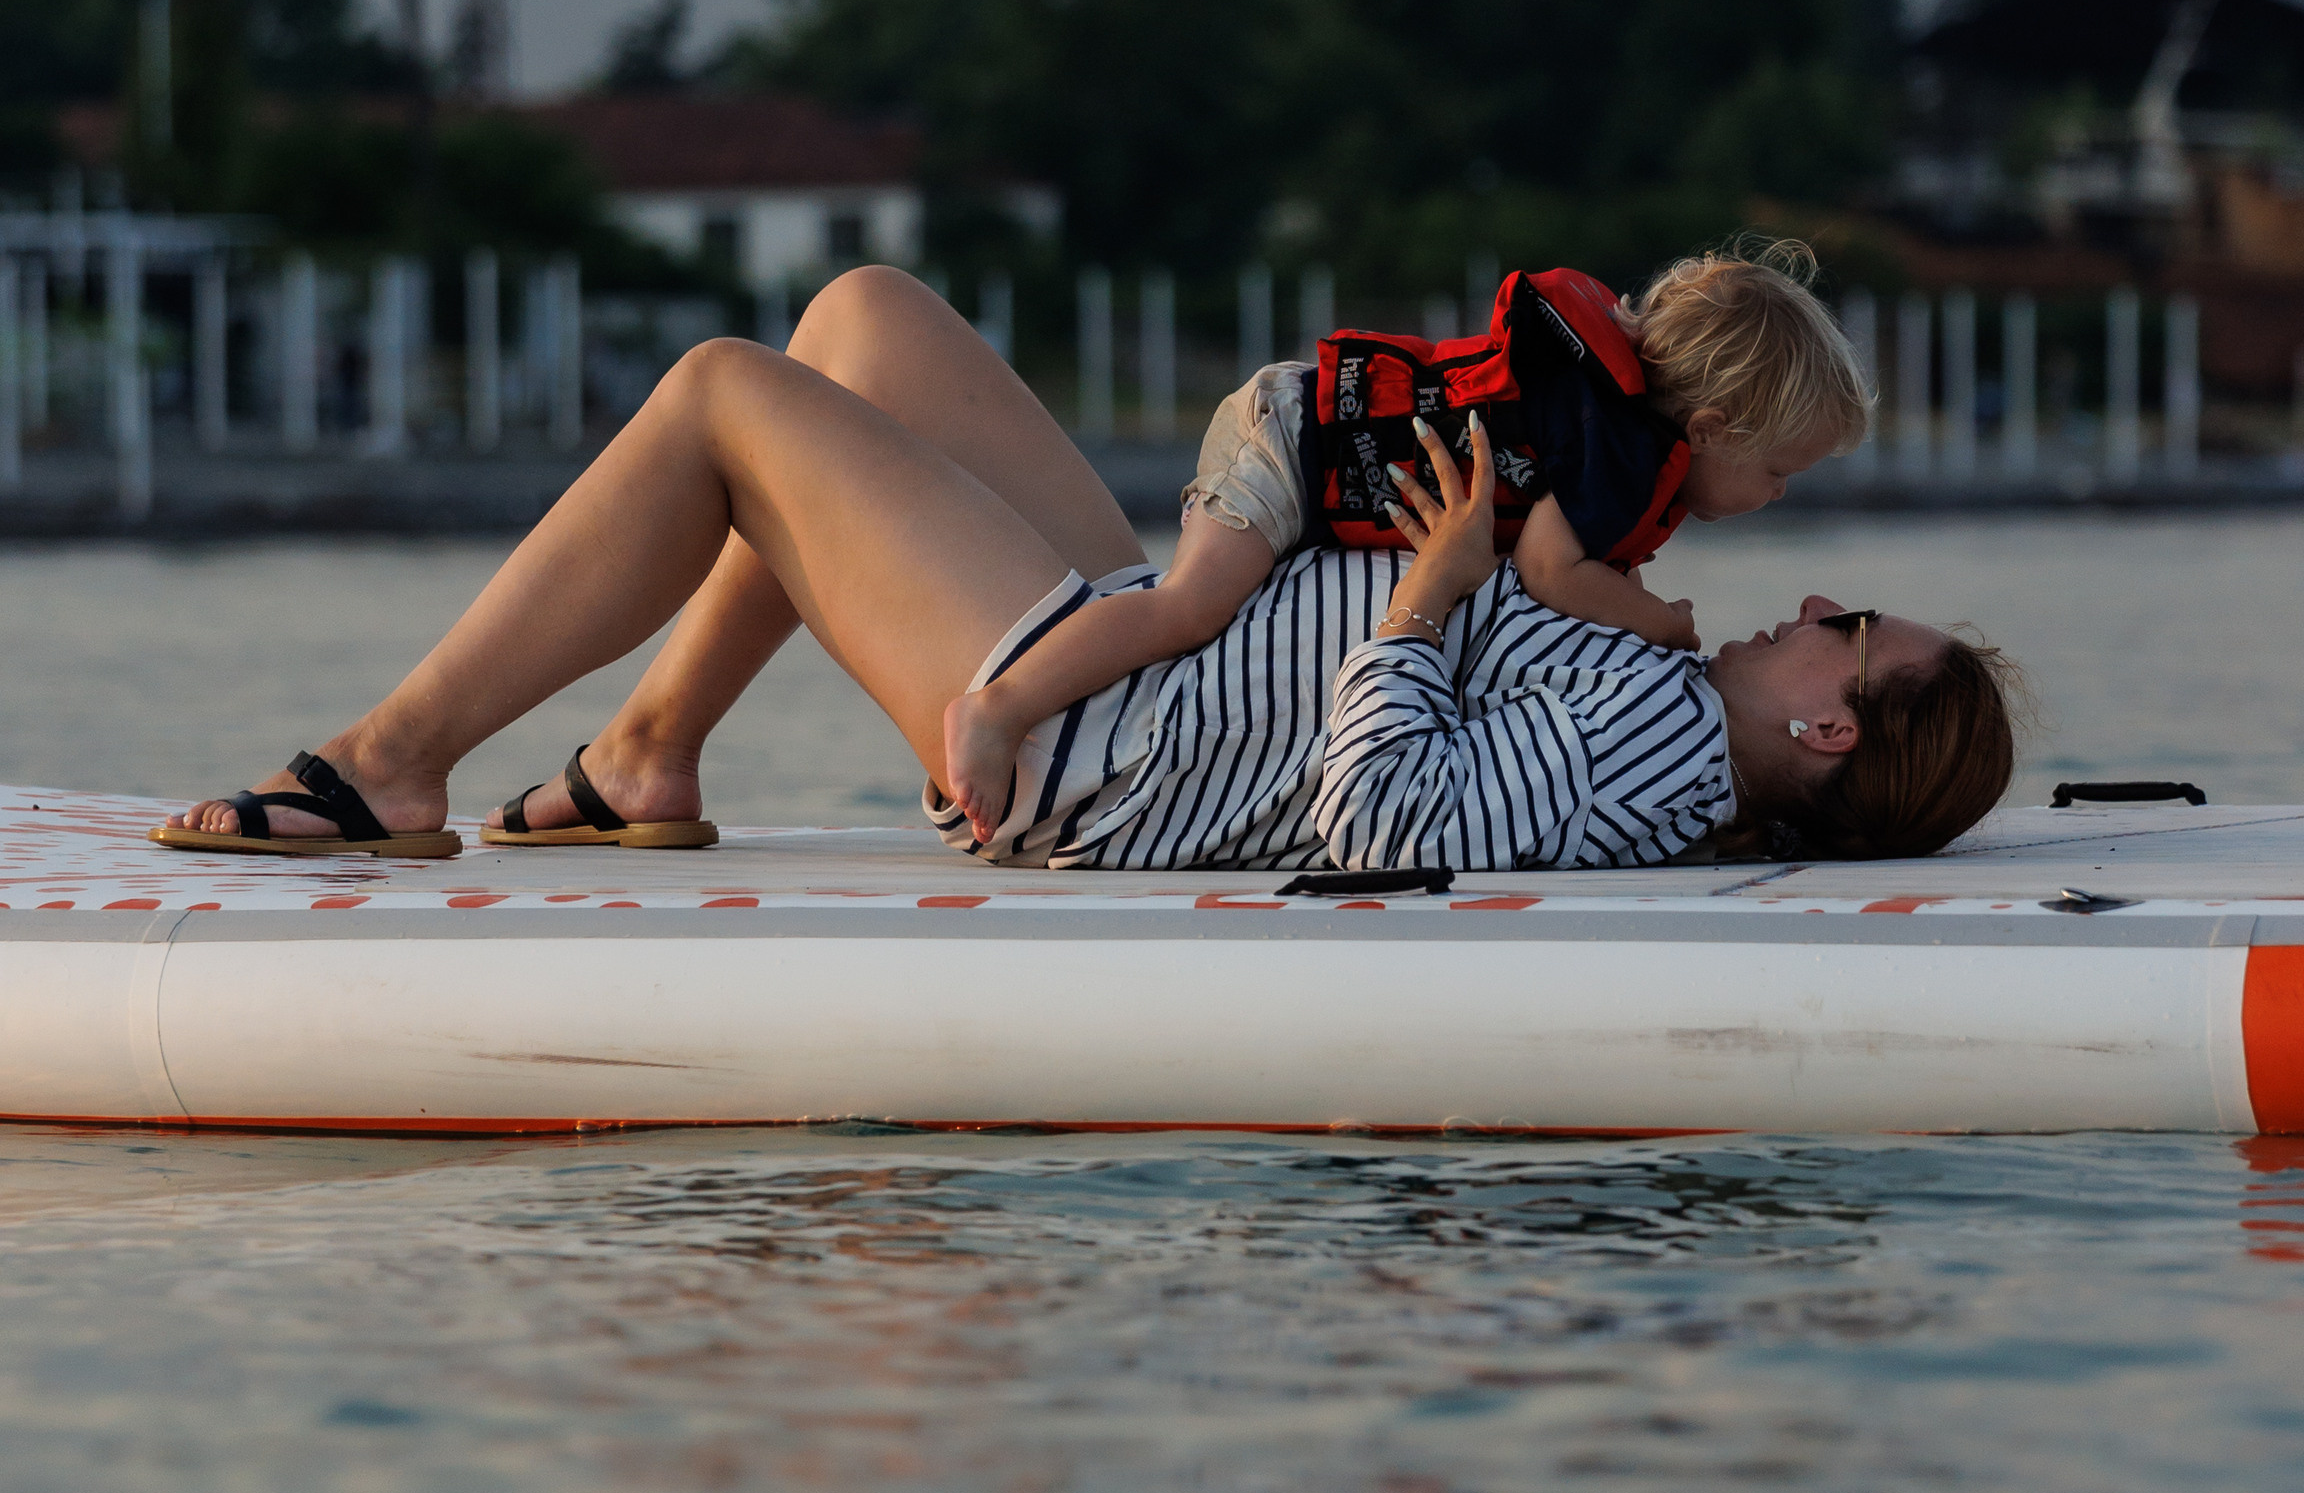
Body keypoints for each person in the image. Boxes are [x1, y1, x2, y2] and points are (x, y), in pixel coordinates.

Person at [156, 268, 2014, 880]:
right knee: (861, 322)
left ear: (1833, 731)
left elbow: (1381, 829)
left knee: (728, 394)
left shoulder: (1662, 747)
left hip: (1104, 747)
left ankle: (393, 762)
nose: (1812, 602)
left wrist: (1429, 592)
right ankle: (645, 753)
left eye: (1844, 632)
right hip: (1153, 656)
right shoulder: (1660, 675)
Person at [936, 242, 1869, 848]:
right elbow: (1550, 570)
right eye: (1777, 471)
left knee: (1193, 612)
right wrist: (1657, 622)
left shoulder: (1613, 440)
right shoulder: (1619, 459)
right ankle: (998, 709)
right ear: (1707, 429)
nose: (1778, 495)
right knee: (1189, 608)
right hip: (1293, 442)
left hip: (1306, 441)